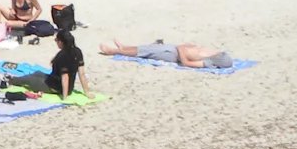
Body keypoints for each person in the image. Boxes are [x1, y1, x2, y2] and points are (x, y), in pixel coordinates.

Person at [99, 40, 234, 69]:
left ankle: (113, 51)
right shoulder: (215, 55)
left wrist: (181, 49)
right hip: (175, 49)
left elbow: (186, 63)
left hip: (172, 54)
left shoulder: (210, 62)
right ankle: (125, 47)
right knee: (148, 47)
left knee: (146, 51)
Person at [41, 29, 88, 98]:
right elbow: (82, 74)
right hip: (69, 88)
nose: (56, 42)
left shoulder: (62, 55)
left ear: (61, 42)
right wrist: (87, 92)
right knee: (37, 73)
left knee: (27, 80)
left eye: (56, 40)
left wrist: (64, 97)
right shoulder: (78, 51)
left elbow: (65, 77)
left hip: (56, 87)